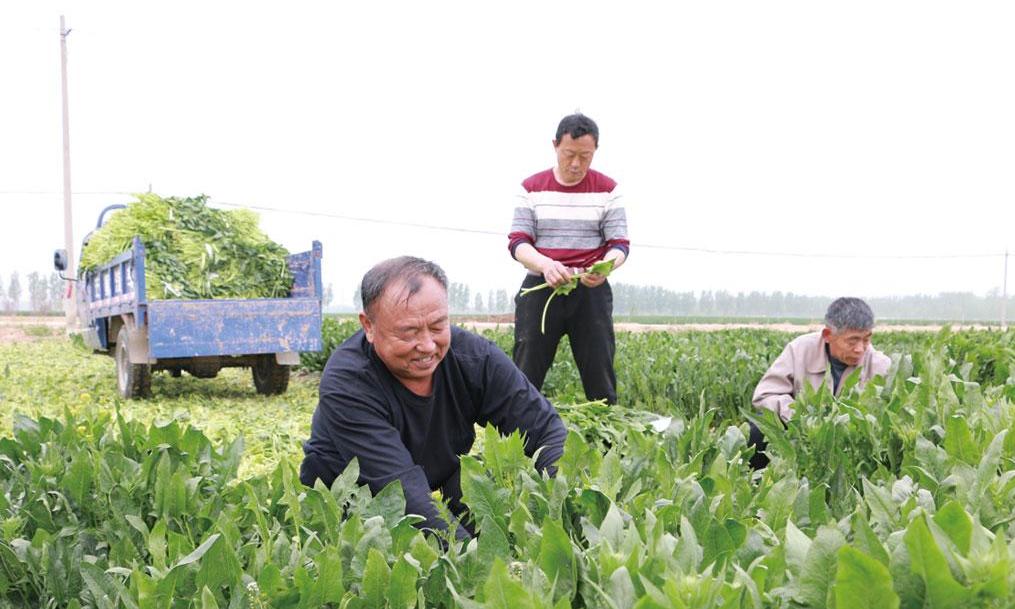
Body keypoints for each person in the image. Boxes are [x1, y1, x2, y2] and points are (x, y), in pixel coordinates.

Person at [299, 256, 566, 539]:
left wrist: (560, 505)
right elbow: (399, 491)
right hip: (352, 495)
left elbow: (546, 431)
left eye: (438, 327)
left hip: (437, 473)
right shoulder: (347, 382)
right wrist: (475, 559)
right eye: (408, 332)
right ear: (369, 326)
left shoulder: (474, 358)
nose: (427, 345)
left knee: (490, 512)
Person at [507, 113, 630, 405]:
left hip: (590, 291)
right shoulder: (532, 188)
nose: (576, 164)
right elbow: (518, 243)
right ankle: (516, 433)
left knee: (599, 373)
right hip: (541, 287)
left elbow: (620, 245)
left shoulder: (608, 190)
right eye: (569, 154)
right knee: (526, 369)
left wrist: (605, 267)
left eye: (585, 156)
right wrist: (546, 265)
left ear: (595, 151)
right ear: (555, 146)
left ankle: (607, 439)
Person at [748, 297, 892, 468]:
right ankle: (759, 485)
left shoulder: (880, 365)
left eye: (866, 339)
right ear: (828, 335)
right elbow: (765, 395)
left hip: (851, 444)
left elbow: (891, 415)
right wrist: (798, 418)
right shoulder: (799, 350)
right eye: (852, 341)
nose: (860, 349)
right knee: (758, 428)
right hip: (802, 436)